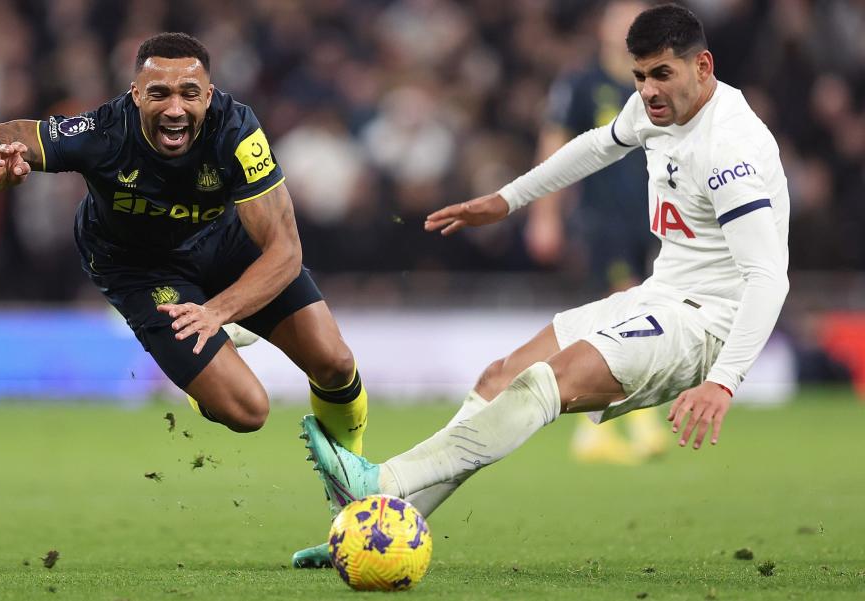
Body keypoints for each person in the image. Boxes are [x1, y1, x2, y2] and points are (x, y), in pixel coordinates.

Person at [302, 4, 789, 528]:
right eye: (640, 76)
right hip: (660, 295)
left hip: (706, 322)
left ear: (703, 67)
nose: (648, 90)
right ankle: (378, 525)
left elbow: (768, 279)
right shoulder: (657, 110)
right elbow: (597, 145)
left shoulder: (728, 150)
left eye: (662, 75)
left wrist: (723, 381)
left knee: (545, 381)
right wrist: (507, 199)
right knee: (500, 377)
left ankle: (380, 484)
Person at [0, 32, 368, 567]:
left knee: (334, 362)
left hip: (224, 246)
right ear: (134, 95)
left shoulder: (237, 128)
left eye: (189, 93)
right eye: (159, 93)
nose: (175, 107)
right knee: (247, 411)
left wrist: (217, 311)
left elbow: (284, 251)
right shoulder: (100, 130)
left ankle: (353, 500)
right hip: (141, 270)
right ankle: (203, 383)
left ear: (209, 95)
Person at [529, 0, 667, 466]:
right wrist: (545, 216)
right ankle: (638, 422)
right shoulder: (581, 83)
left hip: (657, 218)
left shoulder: (662, 83)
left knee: (634, 315)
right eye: (619, 19)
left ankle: (592, 432)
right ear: (604, 28)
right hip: (602, 216)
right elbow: (556, 145)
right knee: (628, 308)